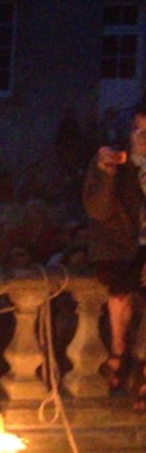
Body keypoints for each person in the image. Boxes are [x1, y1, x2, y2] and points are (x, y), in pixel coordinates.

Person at [82, 102, 146, 410]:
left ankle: (139, 365)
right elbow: (98, 210)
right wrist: (107, 175)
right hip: (119, 249)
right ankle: (119, 353)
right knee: (120, 291)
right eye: (138, 131)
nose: (142, 138)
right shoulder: (112, 162)